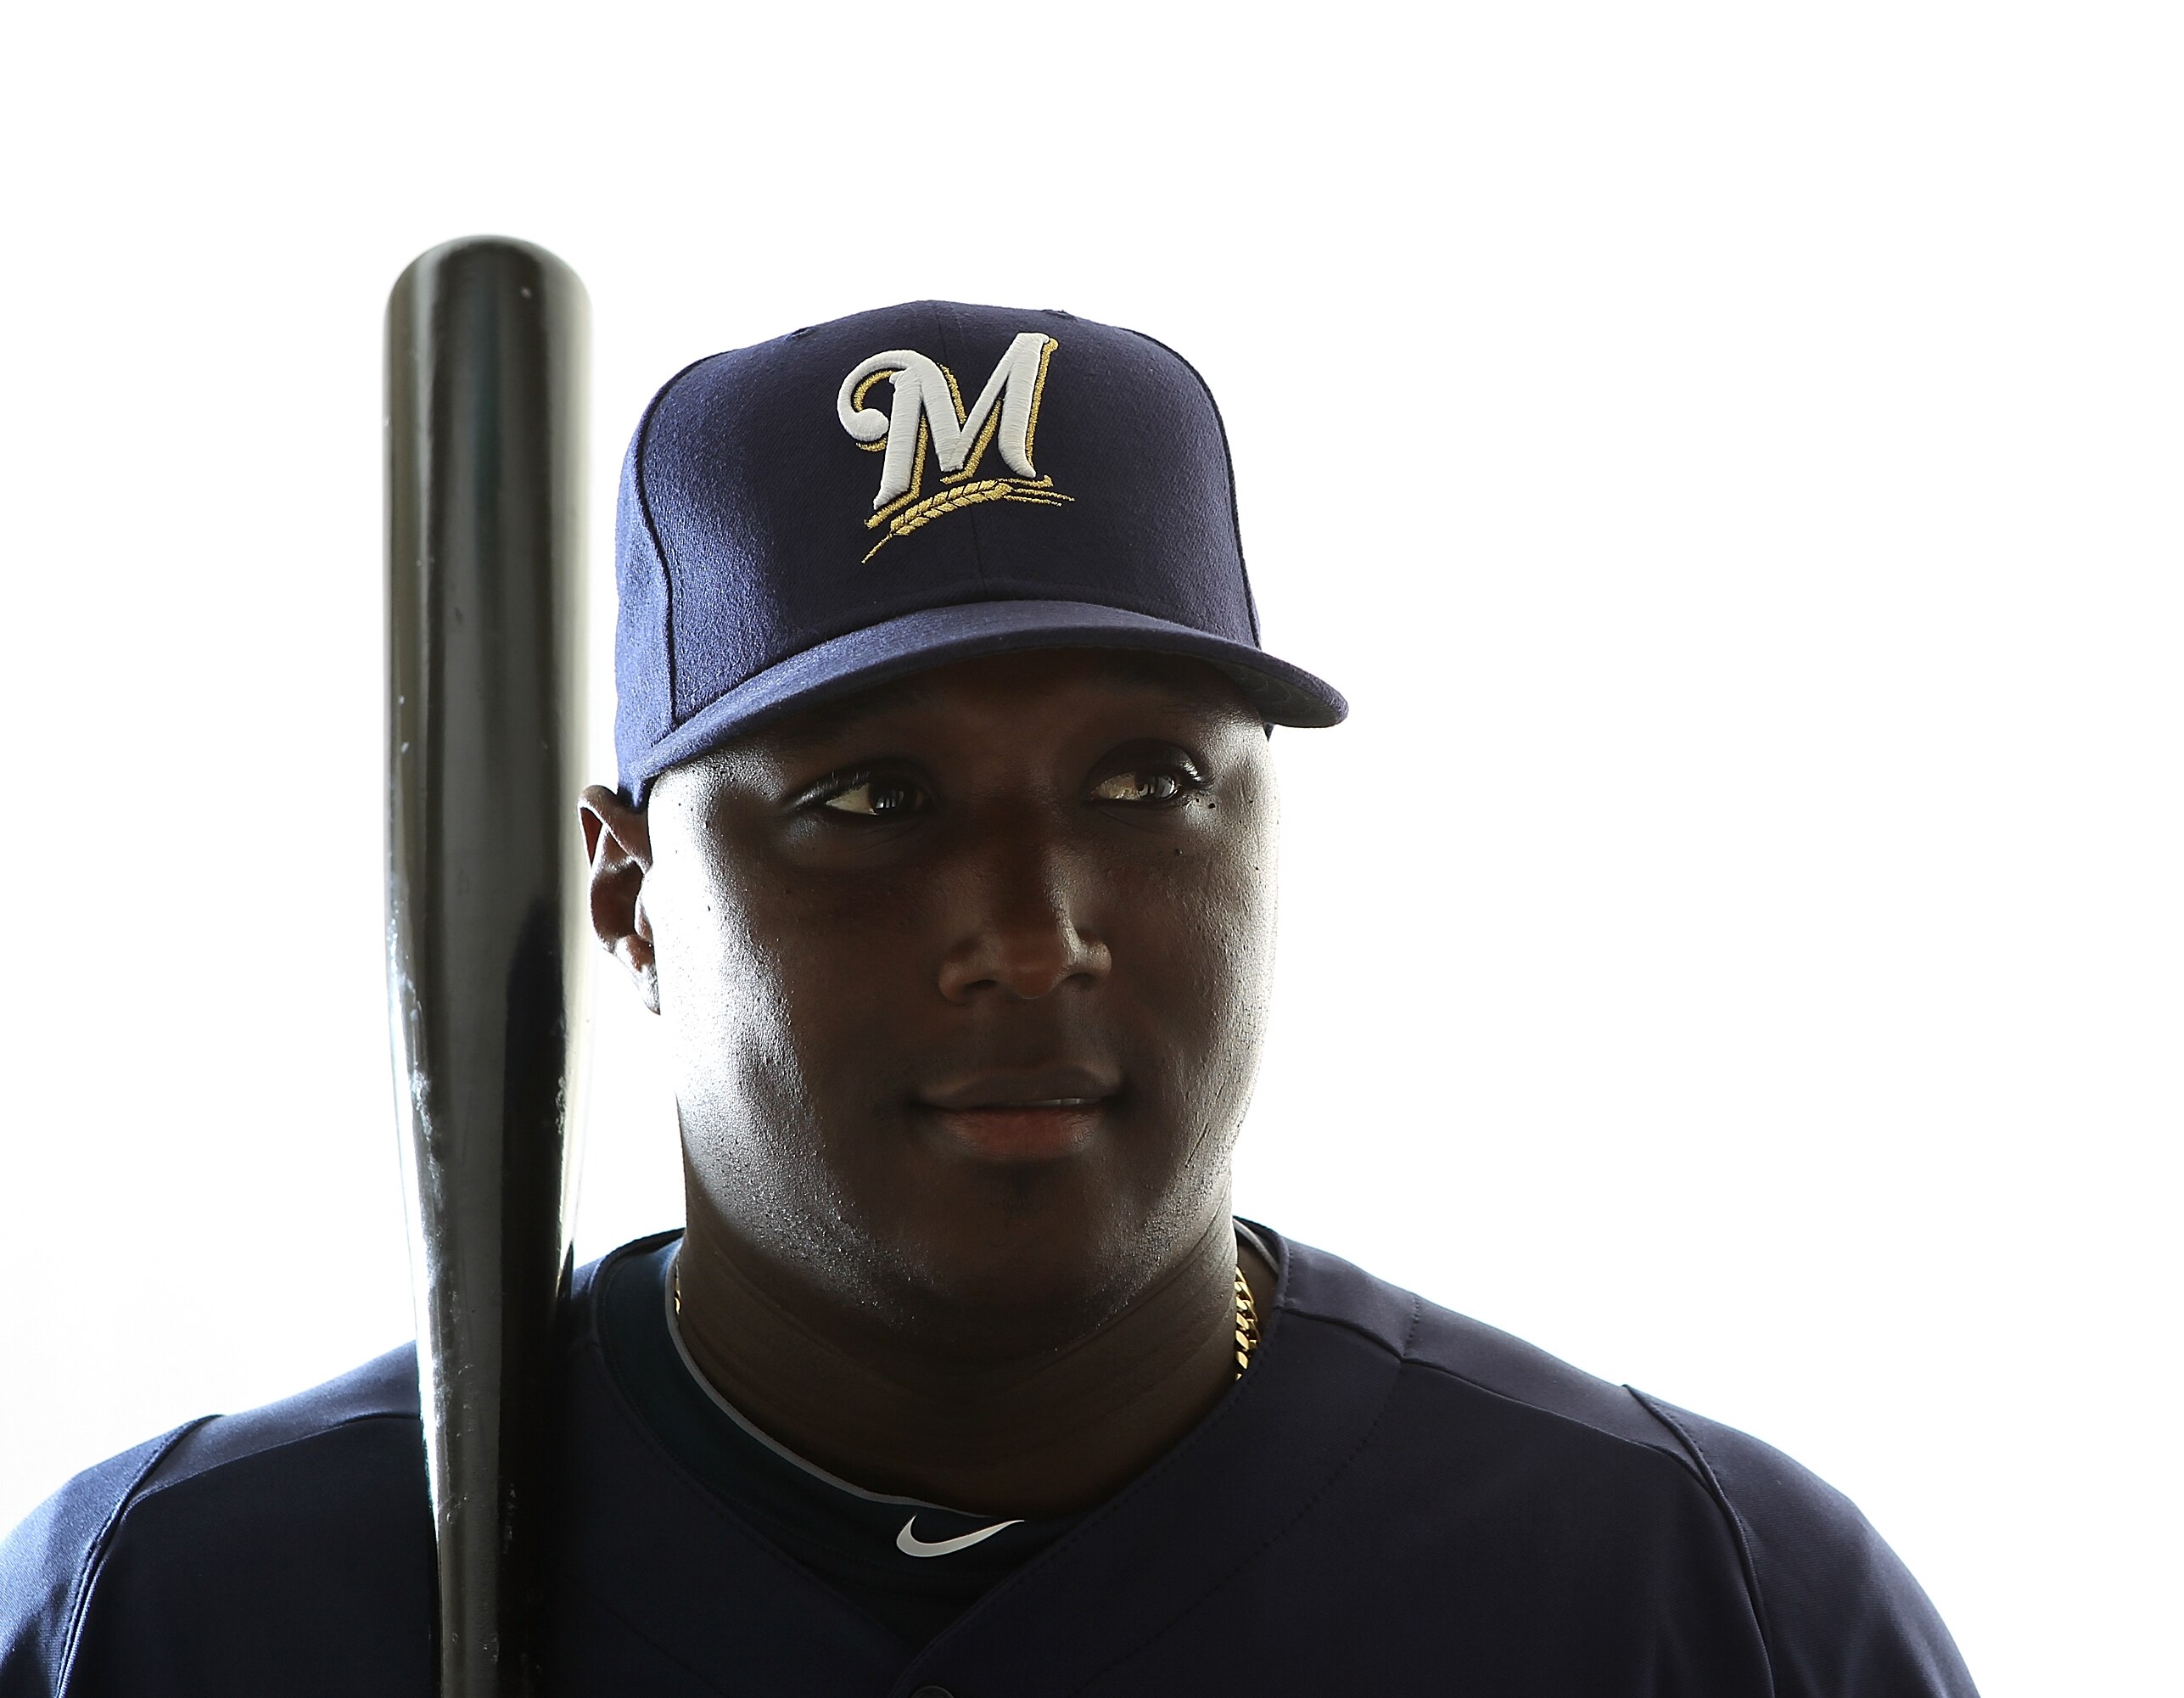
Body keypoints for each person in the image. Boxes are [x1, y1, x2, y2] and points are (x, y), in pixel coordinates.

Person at [1, 301, 1979, 1695]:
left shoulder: (1697, 1606)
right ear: (626, 888)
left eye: (1145, 783)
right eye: (872, 800)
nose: (1033, 932)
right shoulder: (188, 1610)